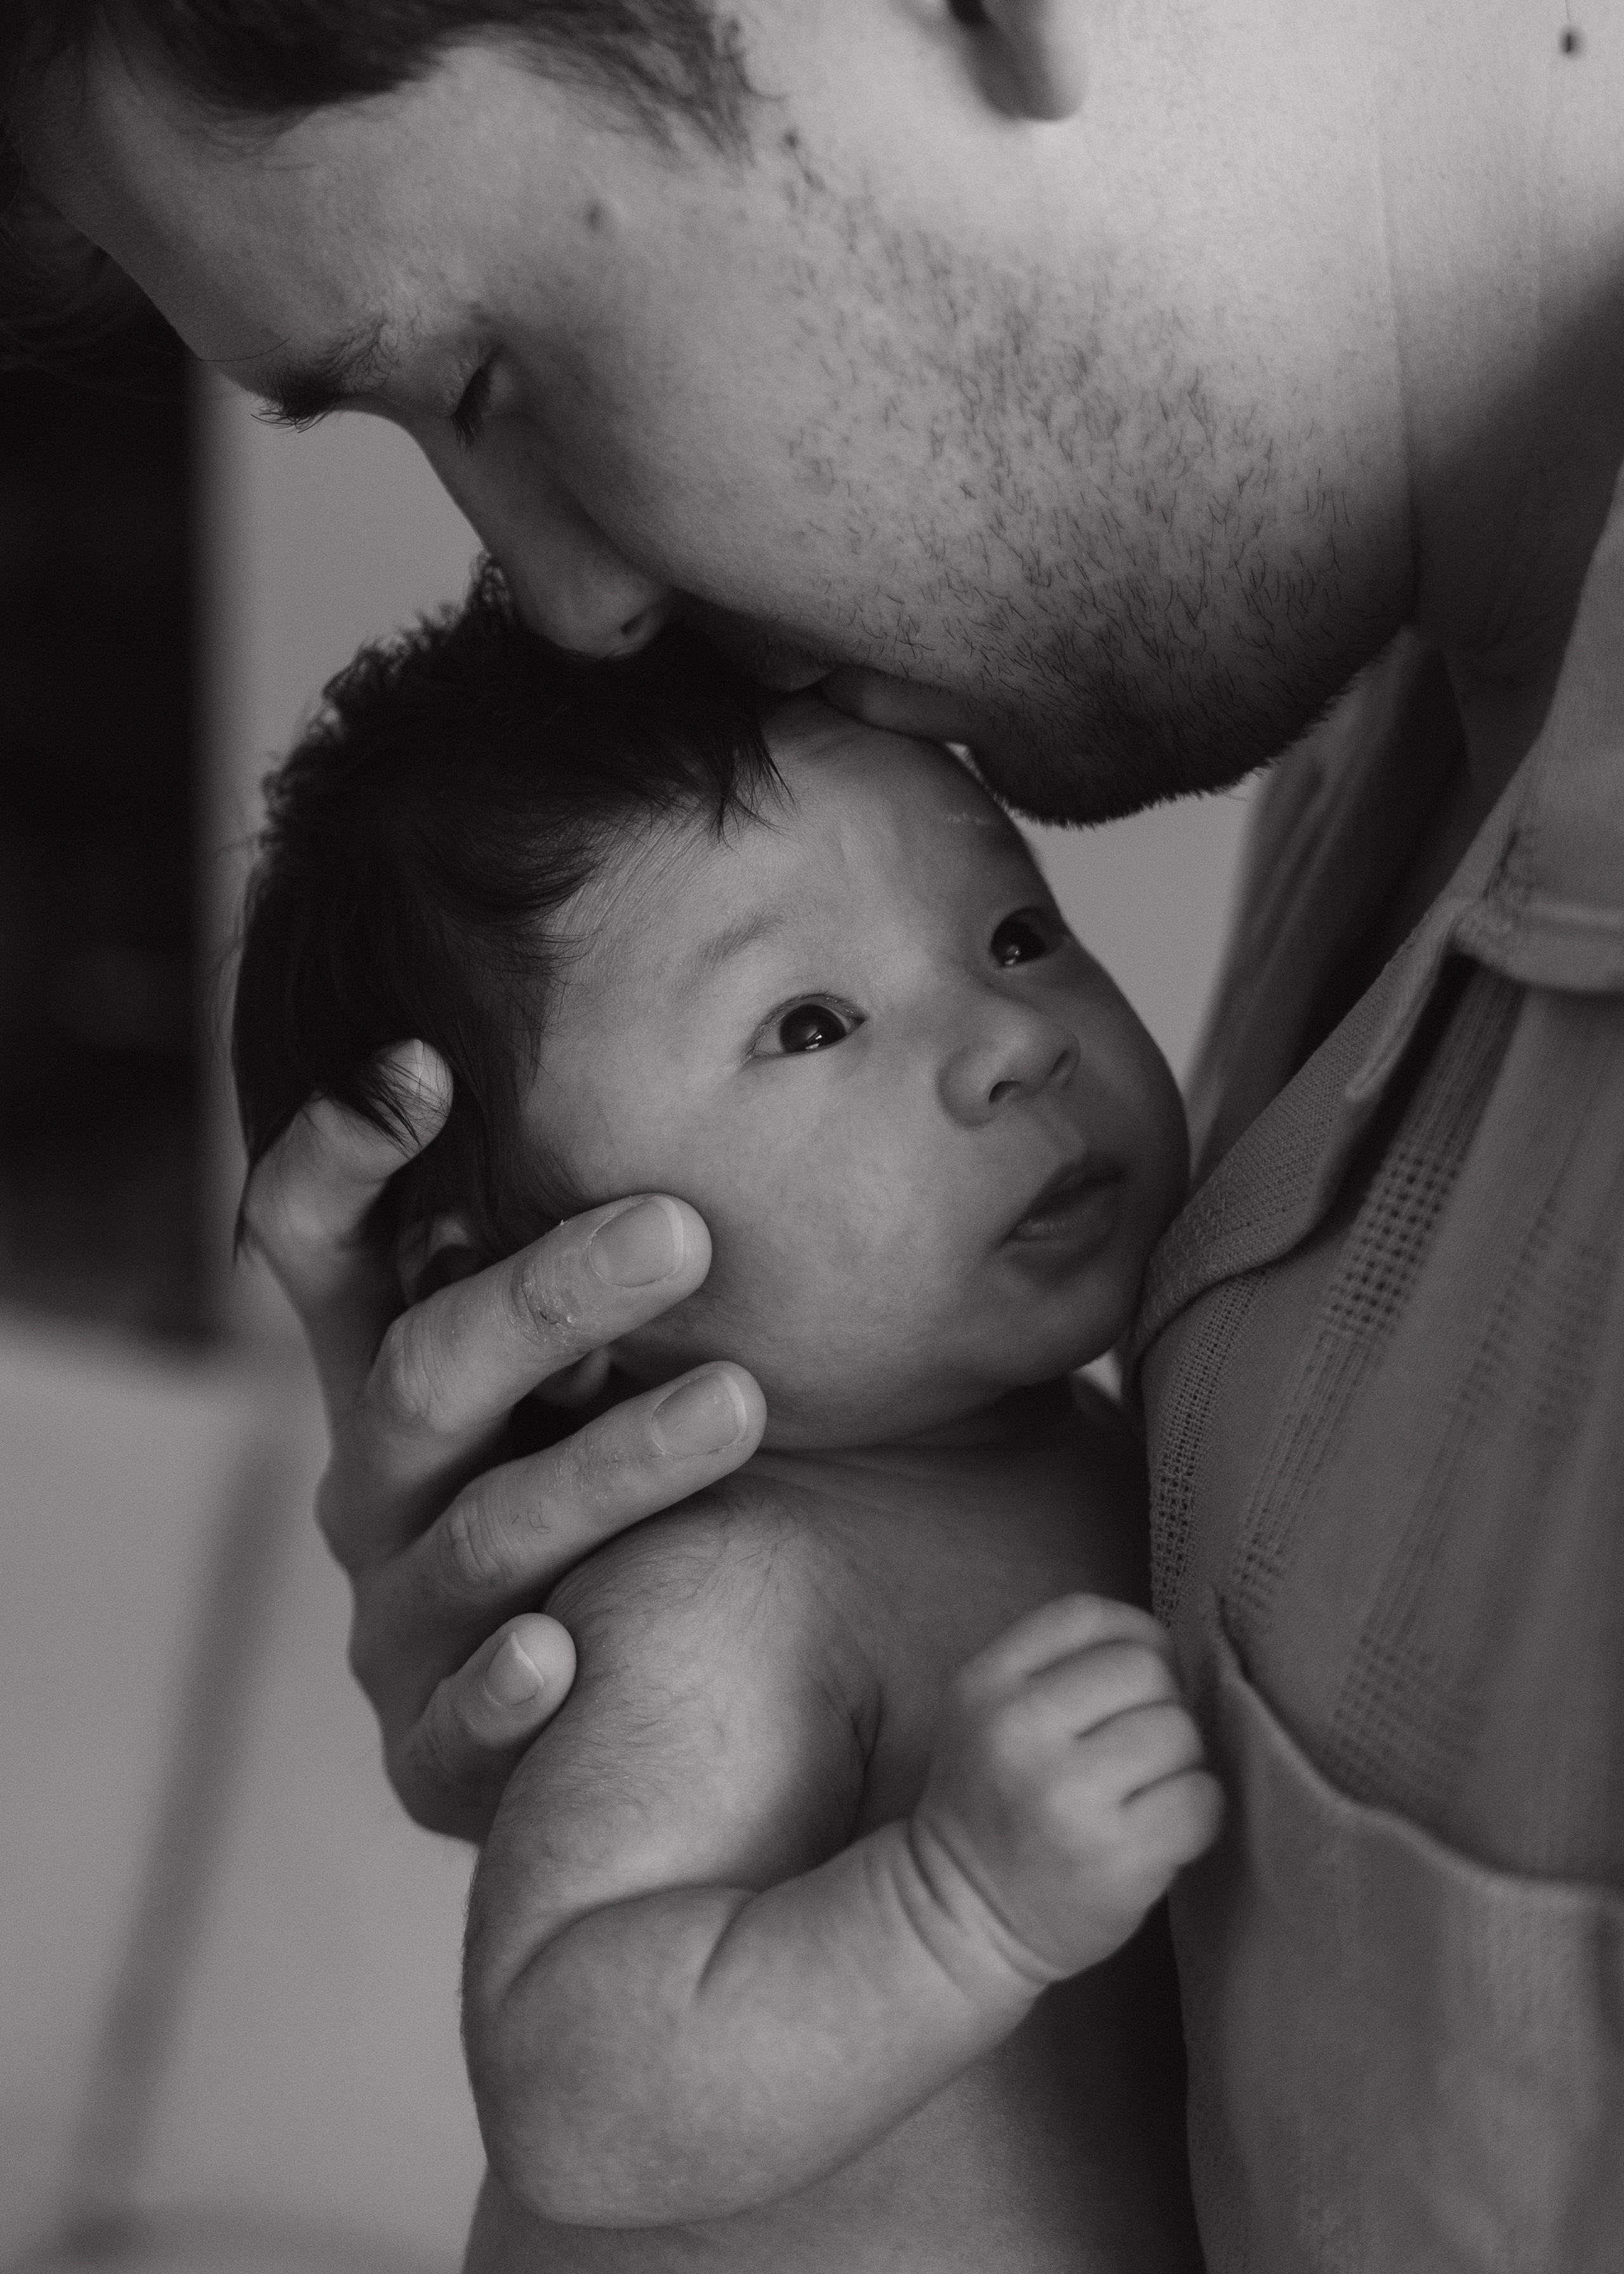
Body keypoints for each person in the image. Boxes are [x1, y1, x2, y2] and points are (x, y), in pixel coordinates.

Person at [8, 1, 1624, 2261]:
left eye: (487, 374)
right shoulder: (1394, 755)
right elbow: (593, 2094)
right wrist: (884, 1869)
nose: (578, 605)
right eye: (808, 1022)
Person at [231, 583, 1217, 2270]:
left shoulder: (1094, 1430)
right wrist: (954, 1907)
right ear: (545, 1296)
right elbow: (569, 2098)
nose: (1012, 1044)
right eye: (810, 1024)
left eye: (1014, 934)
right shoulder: (730, 1593)